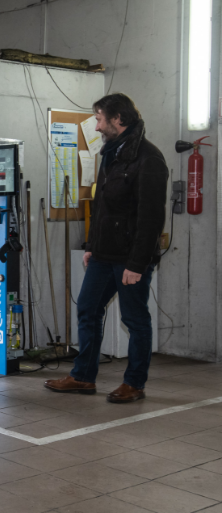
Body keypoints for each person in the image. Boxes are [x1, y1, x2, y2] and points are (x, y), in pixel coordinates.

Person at [45, 93, 168, 403]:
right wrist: (91, 246)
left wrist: (137, 264)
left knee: (134, 320)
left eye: (100, 119)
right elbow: (101, 207)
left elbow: (150, 218)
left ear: (118, 120)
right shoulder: (112, 153)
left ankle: (134, 383)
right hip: (103, 255)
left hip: (130, 258)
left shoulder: (149, 158)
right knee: (87, 309)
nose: (97, 126)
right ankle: (83, 377)